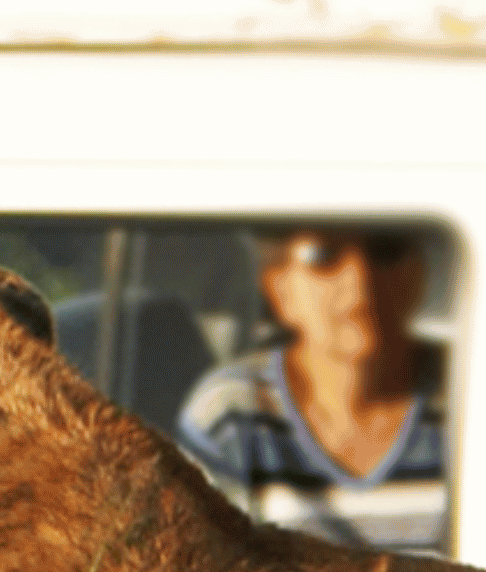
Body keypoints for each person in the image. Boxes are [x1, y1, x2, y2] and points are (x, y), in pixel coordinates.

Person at [176, 225, 449, 552]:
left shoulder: (470, 397)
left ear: (417, 274)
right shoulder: (230, 414)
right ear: (278, 287)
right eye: (323, 256)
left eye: (386, 249)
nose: (358, 280)